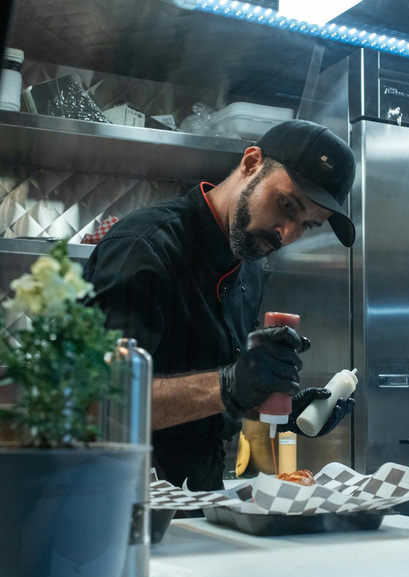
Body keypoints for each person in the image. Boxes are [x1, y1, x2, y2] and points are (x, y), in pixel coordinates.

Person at [84, 119, 357, 491]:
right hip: (128, 496)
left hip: (201, 495)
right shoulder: (143, 248)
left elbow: (211, 396)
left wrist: (276, 406)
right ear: (251, 163)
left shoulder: (250, 267)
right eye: (286, 206)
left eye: (307, 226)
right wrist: (229, 385)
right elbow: (98, 403)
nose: (287, 234)